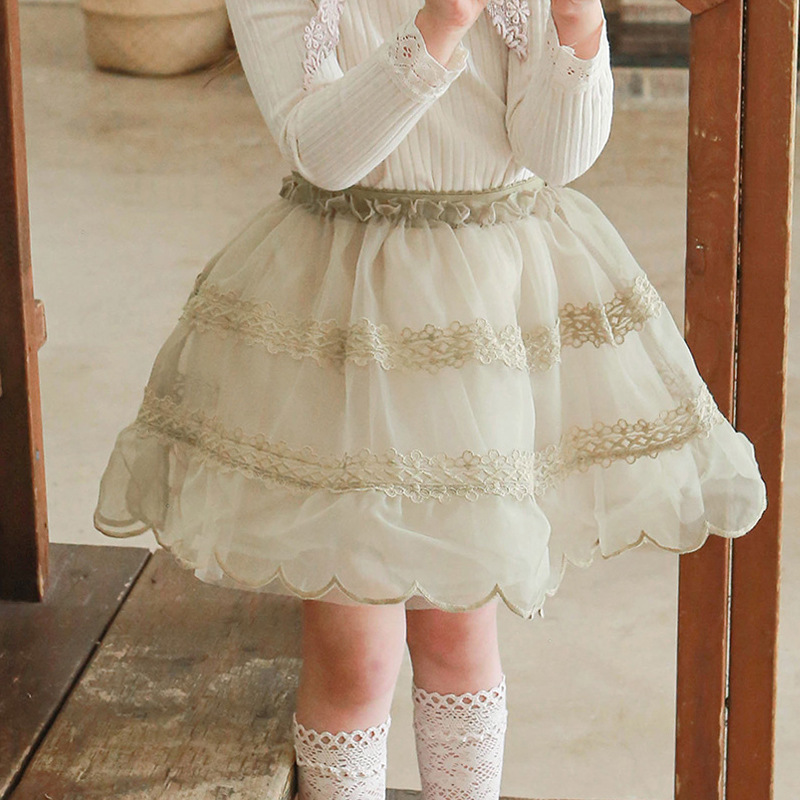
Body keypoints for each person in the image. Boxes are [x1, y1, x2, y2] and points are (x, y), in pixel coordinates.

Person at [93, 0, 768, 798]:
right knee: (356, 651)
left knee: (459, 630)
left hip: (483, 316)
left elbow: (556, 154)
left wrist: (577, 26)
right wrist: (442, 20)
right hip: (352, 316)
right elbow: (325, 152)